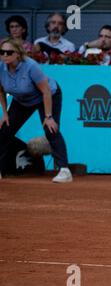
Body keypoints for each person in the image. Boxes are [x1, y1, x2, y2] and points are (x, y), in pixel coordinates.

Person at [0, 38, 72, 183]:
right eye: (2, 52)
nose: (5, 55)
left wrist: (49, 116)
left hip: (46, 95)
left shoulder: (31, 66)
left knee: (50, 128)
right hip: (22, 100)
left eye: (9, 52)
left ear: (18, 54)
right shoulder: (0, 67)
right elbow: (1, 90)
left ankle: (64, 170)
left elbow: (45, 91)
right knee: (5, 129)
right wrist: (5, 114)